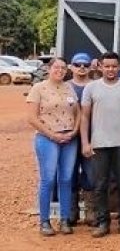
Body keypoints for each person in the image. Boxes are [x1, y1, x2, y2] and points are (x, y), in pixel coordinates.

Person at [81, 51, 120, 238]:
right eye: (107, 66)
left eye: (114, 66)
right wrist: (85, 142)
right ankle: (103, 222)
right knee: (100, 185)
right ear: (100, 67)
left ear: (119, 67)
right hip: (99, 144)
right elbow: (84, 117)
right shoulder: (91, 88)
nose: (110, 69)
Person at [26, 57, 82, 236]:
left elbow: (78, 112)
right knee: (48, 180)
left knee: (66, 179)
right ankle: (44, 221)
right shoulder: (38, 88)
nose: (60, 70)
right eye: (56, 67)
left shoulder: (69, 87)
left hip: (69, 139)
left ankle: (65, 220)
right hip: (47, 138)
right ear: (48, 69)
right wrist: (52, 135)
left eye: (63, 68)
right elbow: (32, 117)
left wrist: (74, 131)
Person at [66, 52, 95, 227]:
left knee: (90, 173)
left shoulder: (96, 85)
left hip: (92, 136)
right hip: (68, 136)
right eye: (78, 65)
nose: (82, 68)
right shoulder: (65, 86)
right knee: (69, 173)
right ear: (71, 67)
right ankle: (71, 211)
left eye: (85, 64)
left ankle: (91, 211)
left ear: (91, 66)